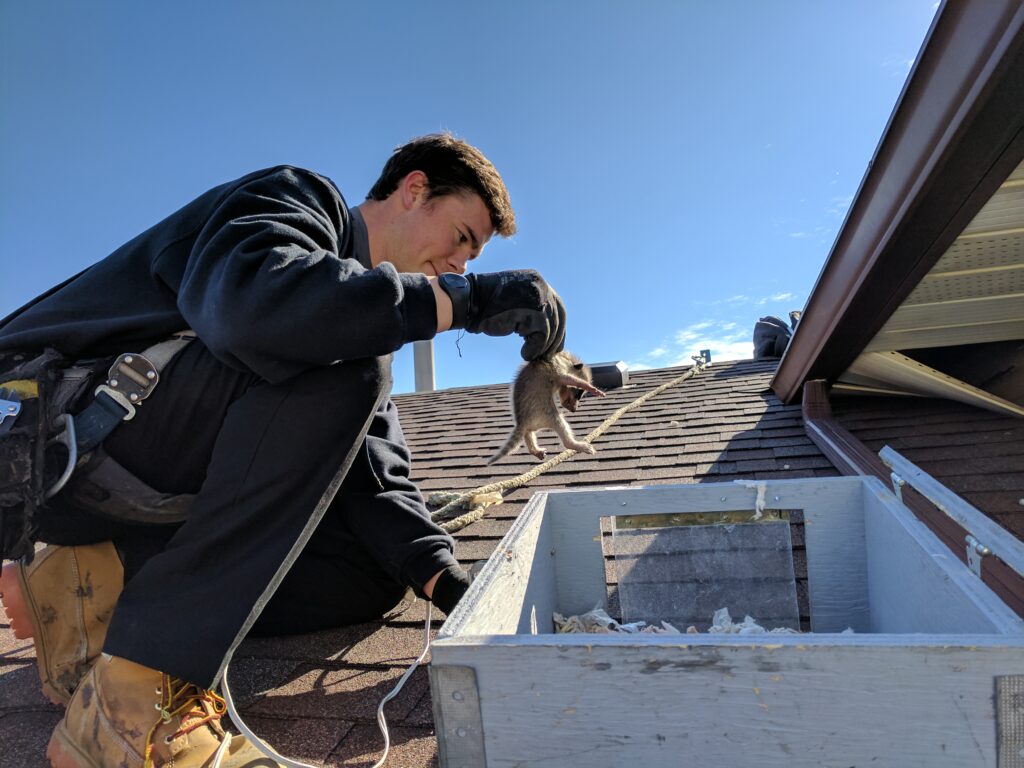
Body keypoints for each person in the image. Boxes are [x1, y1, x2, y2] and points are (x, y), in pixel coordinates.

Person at [0, 133, 566, 767]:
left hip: (121, 472)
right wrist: (471, 302)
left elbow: (376, 479)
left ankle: (85, 591)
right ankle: (131, 717)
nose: (462, 264)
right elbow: (255, 310)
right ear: (414, 189)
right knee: (336, 362)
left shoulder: (359, 323)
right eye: (462, 237)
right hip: (36, 435)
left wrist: (451, 585)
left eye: (473, 257)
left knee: (371, 573)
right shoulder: (294, 198)